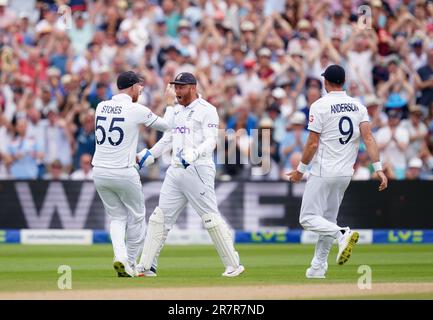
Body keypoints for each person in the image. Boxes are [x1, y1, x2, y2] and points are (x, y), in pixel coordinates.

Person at [136, 72, 245, 277]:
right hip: (175, 170)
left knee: (210, 218)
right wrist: (149, 155)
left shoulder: (207, 110)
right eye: (175, 87)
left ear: (193, 88)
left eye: (181, 87)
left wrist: (194, 154)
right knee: (159, 218)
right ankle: (147, 265)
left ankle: (233, 264)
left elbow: (211, 140)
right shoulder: (176, 111)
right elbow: (168, 138)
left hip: (198, 169)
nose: (177, 91)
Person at [287, 65, 388, 279]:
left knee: (307, 218)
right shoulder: (358, 106)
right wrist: (378, 168)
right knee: (328, 219)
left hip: (324, 171)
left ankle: (342, 234)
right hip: (345, 174)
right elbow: (368, 138)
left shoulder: (319, 106)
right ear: (342, 82)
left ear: (326, 82)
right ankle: (317, 267)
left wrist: (300, 170)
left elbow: (312, 144)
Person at [92, 71, 169, 277]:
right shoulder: (136, 109)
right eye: (139, 86)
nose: (141, 89)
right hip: (123, 171)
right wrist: (169, 105)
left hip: (99, 171)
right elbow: (167, 126)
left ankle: (120, 256)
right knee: (136, 217)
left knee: (117, 217)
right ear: (133, 86)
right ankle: (132, 262)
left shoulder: (100, 106)